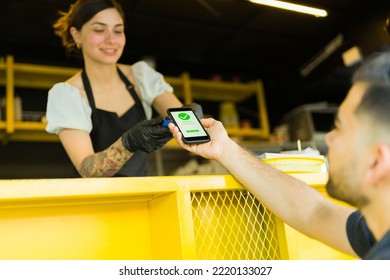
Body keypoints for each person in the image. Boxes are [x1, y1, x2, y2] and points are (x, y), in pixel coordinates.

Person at [169, 51, 390, 260]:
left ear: (377, 161)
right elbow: (314, 213)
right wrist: (225, 149)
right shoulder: (376, 232)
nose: (329, 137)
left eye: (339, 127)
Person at [45, 0, 182, 177]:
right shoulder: (67, 94)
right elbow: (87, 170)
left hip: (143, 196)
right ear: (76, 35)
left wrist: (189, 117)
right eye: (99, 30)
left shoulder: (141, 77)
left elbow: (178, 114)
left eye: (118, 30)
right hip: (96, 201)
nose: (111, 39)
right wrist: (128, 143)